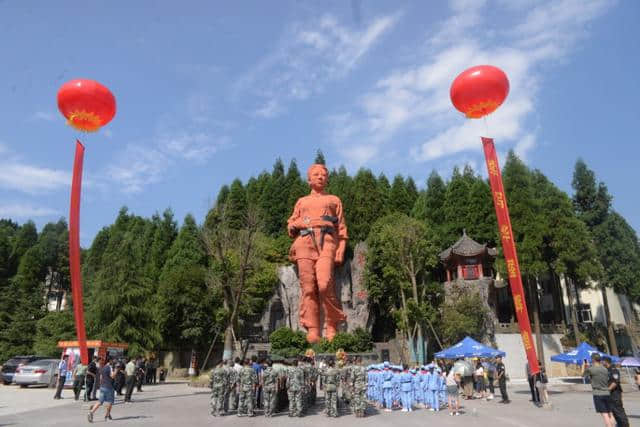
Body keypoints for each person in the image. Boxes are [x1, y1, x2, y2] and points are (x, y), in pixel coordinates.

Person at [287, 163, 348, 342]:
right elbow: (290, 225)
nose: (320, 177)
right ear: (309, 180)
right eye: (316, 174)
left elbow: (342, 229)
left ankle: (331, 325)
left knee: (324, 284)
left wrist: (341, 249)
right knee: (308, 287)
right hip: (304, 243)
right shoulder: (302, 201)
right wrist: (298, 224)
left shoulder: (334, 200)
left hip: (327, 241)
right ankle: (312, 329)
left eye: (323, 174)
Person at [582, 353, 615, 427]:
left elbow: (583, 376)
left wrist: (585, 367)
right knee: (610, 414)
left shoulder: (591, 369)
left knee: (605, 415)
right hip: (607, 392)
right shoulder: (605, 369)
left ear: (593, 359)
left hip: (598, 393)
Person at [87, 357, 117, 423]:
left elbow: (101, 378)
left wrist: (100, 385)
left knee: (100, 401)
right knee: (110, 402)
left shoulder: (102, 368)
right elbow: (112, 376)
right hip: (109, 387)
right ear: (110, 361)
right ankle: (107, 415)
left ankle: (91, 412)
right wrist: (116, 370)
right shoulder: (110, 367)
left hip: (102, 387)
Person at [602, 356, 629, 427]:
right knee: (614, 412)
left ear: (606, 362)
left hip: (615, 394)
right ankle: (620, 425)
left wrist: (607, 390)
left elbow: (615, 382)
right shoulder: (607, 370)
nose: (601, 362)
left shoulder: (614, 370)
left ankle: (625, 425)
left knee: (619, 411)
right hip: (610, 394)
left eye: (602, 361)